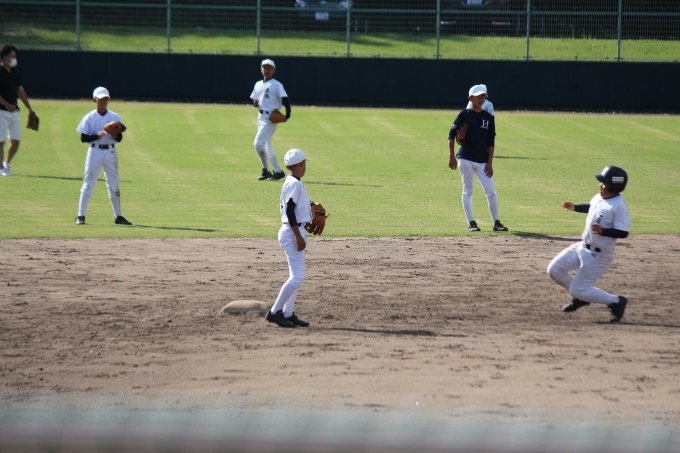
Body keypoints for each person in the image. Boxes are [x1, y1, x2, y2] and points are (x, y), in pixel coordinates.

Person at [547, 165, 631, 323]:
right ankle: (581, 296)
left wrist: (604, 231)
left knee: (578, 290)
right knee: (554, 269)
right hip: (582, 246)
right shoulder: (600, 197)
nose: (600, 185)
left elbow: (623, 232)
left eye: (604, 183)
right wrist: (575, 208)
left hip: (599, 255)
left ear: (614, 186)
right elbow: (592, 208)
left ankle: (616, 302)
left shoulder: (619, 206)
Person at [265, 148, 317, 328]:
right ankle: (274, 312)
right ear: (301, 164)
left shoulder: (291, 181)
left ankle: (288, 313)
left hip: (291, 231)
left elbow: (293, 205)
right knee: (297, 277)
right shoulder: (295, 184)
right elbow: (289, 211)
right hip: (292, 232)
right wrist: (298, 237)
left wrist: (310, 204)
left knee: (295, 276)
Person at [448, 84, 508, 232]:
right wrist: (452, 156)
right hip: (466, 158)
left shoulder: (488, 118)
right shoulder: (463, 115)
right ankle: (471, 223)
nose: (481, 99)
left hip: (483, 160)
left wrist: (490, 162)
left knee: (491, 191)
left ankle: (496, 222)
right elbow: (451, 135)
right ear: (470, 98)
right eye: (478, 96)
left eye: (483, 96)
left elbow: (491, 142)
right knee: (468, 191)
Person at [74, 86, 132, 226]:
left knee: (113, 184)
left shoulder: (114, 117)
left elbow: (119, 139)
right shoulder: (89, 117)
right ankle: (80, 215)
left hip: (110, 152)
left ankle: (118, 216)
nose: (103, 101)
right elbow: (83, 138)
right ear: (94, 100)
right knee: (89, 182)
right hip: (94, 151)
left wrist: (114, 134)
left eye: (106, 99)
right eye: (100, 99)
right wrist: (97, 135)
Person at [250, 58, 290, 181]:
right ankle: (277, 172)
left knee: (258, 143)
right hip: (260, 116)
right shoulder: (258, 84)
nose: (266, 70)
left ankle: (266, 170)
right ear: (261, 69)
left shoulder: (276, 84)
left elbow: (285, 99)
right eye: (264, 67)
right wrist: (255, 103)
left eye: (269, 68)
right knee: (266, 145)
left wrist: (287, 114)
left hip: (271, 118)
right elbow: (256, 100)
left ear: (274, 70)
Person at [0, 44, 35, 176]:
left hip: (14, 112)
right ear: (5, 58)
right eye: (12, 56)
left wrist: (29, 109)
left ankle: (6, 164)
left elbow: (21, 91)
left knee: (15, 141)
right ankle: (1, 169)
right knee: (0, 142)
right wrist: (6, 104)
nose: (15, 59)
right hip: (1, 112)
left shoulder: (15, 73)